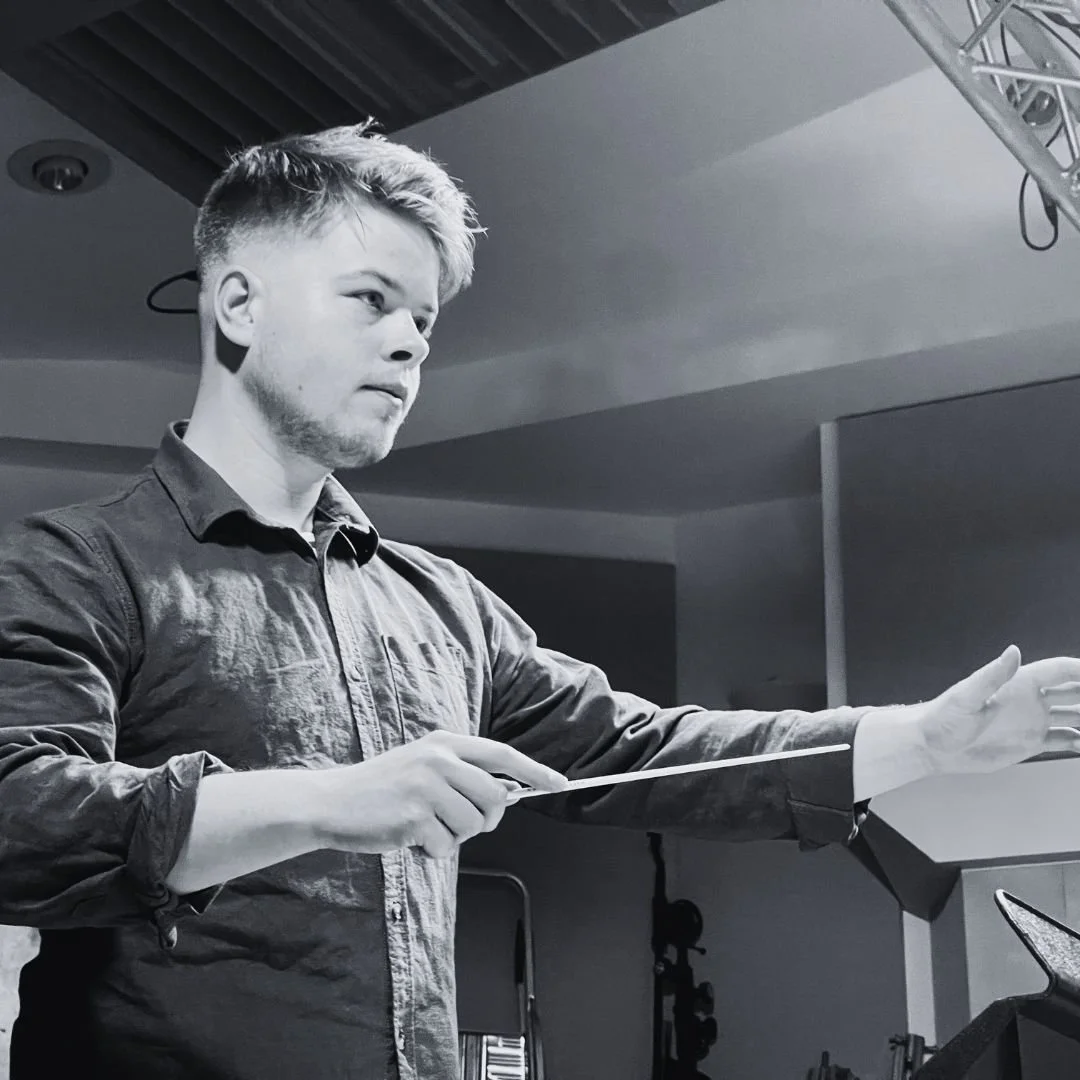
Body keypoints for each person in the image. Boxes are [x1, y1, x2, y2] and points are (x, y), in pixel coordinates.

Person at [1, 121, 1079, 1080]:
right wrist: (323, 799)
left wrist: (924, 739)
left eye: (422, 319)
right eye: (371, 299)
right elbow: (17, 820)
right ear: (237, 302)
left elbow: (648, 749)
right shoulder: (76, 566)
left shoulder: (445, 609)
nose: (411, 342)